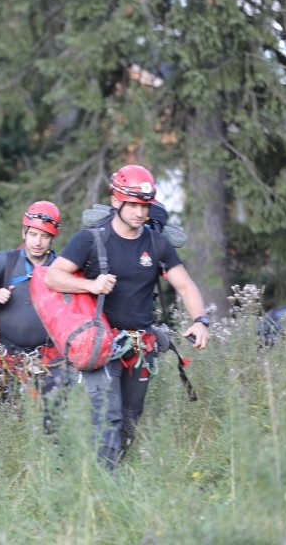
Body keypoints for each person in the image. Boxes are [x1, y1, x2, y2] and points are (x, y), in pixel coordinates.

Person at [44, 164, 210, 470]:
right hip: (100, 343)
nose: (139, 212)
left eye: (144, 206)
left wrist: (200, 320)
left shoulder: (157, 244)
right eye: (133, 204)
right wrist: (90, 284)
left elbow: (185, 285)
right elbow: (53, 277)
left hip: (139, 347)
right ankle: (105, 489)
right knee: (108, 415)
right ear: (117, 201)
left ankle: (102, 477)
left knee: (130, 420)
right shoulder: (91, 240)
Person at [0, 201, 70, 426]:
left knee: (55, 418)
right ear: (24, 232)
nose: (37, 242)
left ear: (52, 238)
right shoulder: (6, 261)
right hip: (8, 356)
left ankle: (53, 457)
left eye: (44, 235)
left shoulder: (61, 268)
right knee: (9, 422)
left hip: (49, 356)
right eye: (32, 234)